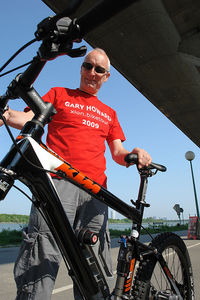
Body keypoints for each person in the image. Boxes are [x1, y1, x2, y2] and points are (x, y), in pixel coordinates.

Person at [0, 48, 152, 300]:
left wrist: (134, 153)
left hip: (97, 193)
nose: (91, 72)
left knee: (94, 266)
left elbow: (117, 152)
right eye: (87, 66)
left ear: (107, 76)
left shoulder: (110, 113)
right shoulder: (59, 94)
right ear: (81, 68)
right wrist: (4, 115)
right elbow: (27, 117)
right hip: (58, 183)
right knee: (42, 251)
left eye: (99, 69)